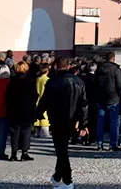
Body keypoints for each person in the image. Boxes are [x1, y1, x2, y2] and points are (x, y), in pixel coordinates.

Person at [38, 57, 89, 189]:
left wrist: (37, 114)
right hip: (72, 120)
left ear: (55, 66)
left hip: (56, 119)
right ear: (69, 66)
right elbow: (83, 104)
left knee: (61, 150)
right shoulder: (79, 82)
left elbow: (44, 101)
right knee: (62, 149)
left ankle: (67, 180)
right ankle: (57, 176)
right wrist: (83, 123)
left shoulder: (52, 82)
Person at [6, 60, 38, 161]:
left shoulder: (13, 80)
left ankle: (14, 153)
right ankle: (24, 152)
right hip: (27, 109)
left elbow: (7, 95)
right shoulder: (29, 80)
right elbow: (34, 95)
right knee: (26, 131)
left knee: (15, 131)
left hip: (14, 108)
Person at [92, 52, 121, 152]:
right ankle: (112, 144)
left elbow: (95, 84)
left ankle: (99, 144)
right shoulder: (116, 69)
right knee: (114, 123)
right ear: (113, 59)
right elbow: (119, 84)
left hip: (101, 98)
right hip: (113, 98)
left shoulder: (99, 69)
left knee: (100, 122)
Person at [35, 63, 50, 139]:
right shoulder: (47, 80)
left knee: (38, 118)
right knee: (45, 118)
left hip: (37, 99)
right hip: (45, 100)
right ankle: (44, 133)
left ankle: (37, 132)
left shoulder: (38, 79)